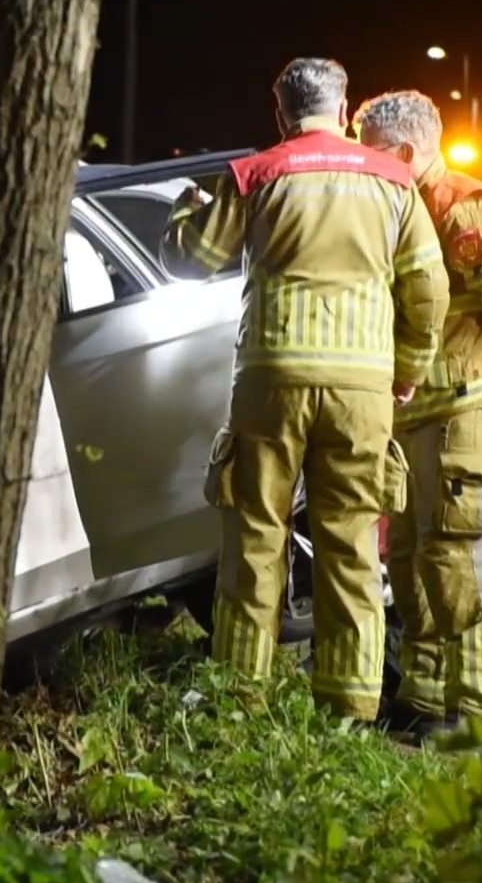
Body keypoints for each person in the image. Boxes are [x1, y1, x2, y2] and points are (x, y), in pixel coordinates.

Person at [166, 57, 447, 721]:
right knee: (350, 544)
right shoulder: (395, 183)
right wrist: (407, 368)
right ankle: (349, 706)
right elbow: (427, 291)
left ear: (280, 114)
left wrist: (187, 204)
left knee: (255, 540)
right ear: (346, 110)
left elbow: (189, 258)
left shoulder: (255, 175)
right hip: (361, 391)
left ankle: (239, 698)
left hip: (272, 381)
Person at [352, 90, 482, 739]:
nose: (361, 162)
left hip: (463, 405)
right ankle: (426, 697)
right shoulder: (399, 205)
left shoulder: (462, 207)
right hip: (414, 409)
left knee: (458, 554)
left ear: (405, 153)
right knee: (409, 557)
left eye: (370, 151)